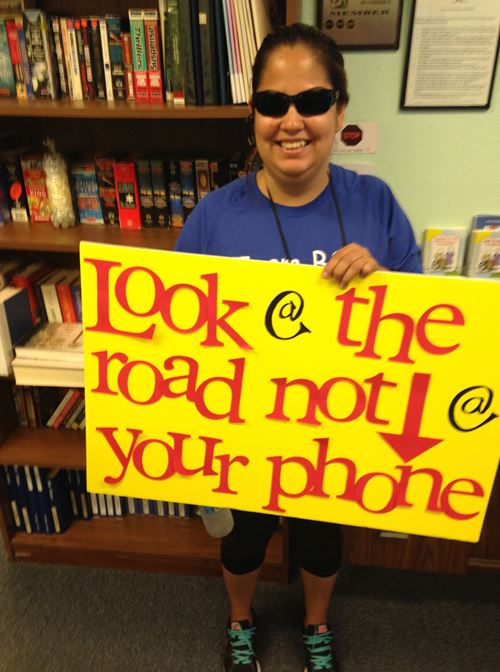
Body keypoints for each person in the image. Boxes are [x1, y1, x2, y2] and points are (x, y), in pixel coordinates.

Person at [175, 22, 422, 672]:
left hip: (338, 432)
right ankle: (239, 620)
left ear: (338, 110)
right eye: (272, 102)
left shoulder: (375, 205)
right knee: (242, 541)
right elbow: (174, 334)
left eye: (311, 102)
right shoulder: (213, 217)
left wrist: (384, 287)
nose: (292, 120)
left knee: (321, 540)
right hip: (242, 433)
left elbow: (426, 334)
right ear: (252, 111)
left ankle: (316, 625)